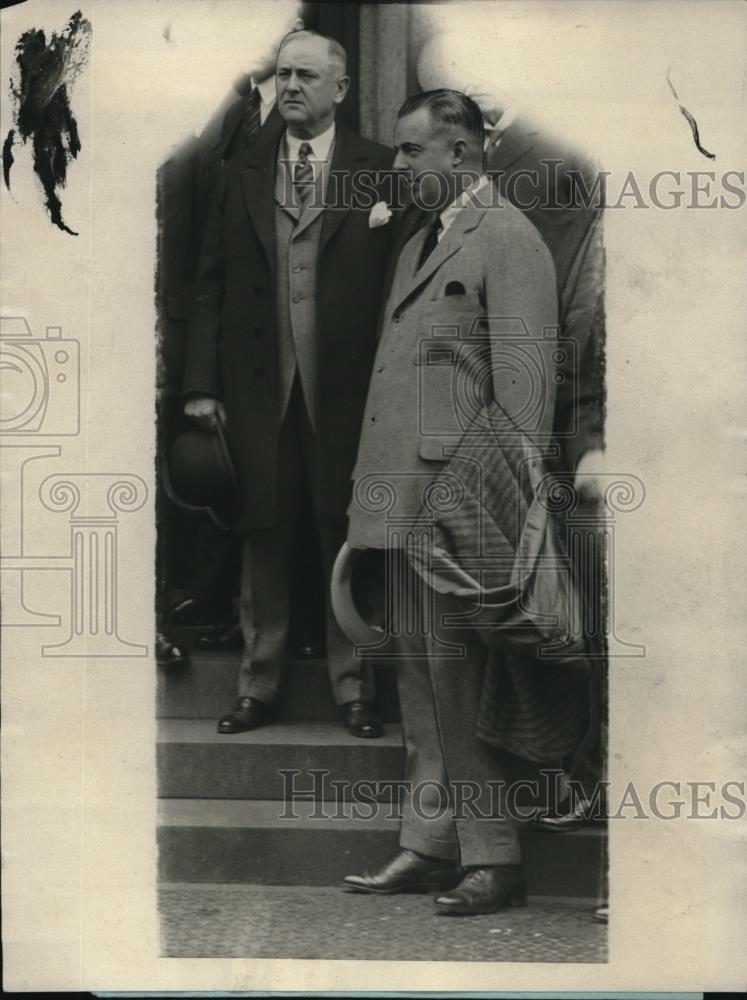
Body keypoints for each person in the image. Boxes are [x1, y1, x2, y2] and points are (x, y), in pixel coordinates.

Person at [341, 90, 578, 914]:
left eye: (412, 152)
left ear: (463, 155)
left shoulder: (507, 239)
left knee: (460, 682)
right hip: (403, 499)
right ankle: (429, 844)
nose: (398, 167)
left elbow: (522, 393)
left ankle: (494, 857)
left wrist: (481, 504)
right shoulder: (420, 243)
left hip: (461, 508)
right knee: (421, 681)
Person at [183, 31, 396, 738]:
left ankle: (355, 689)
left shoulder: (379, 169)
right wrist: (200, 386)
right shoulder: (243, 170)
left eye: (307, 75)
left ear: (341, 89)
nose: (291, 85)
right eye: (283, 74)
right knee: (262, 530)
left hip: (349, 389)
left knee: (347, 531)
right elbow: (209, 284)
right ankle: (257, 684)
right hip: (255, 386)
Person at [155, 5, 305, 664]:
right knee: (193, 475)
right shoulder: (209, 103)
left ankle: (255, 621)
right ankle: (196, 605)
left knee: (252, 482)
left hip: (257, 336)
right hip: (186, 323)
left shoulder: (301, 110)